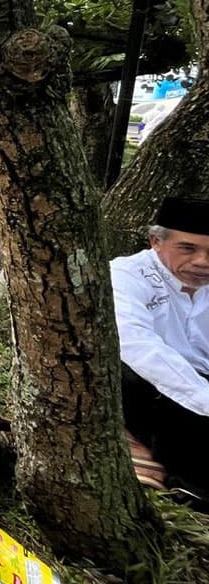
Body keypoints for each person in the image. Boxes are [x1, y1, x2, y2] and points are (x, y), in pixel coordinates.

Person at [111, 195, 209, 503]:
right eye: (187, 248)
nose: (202, 262)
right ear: (155, 241)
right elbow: (138, 347)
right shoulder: (125, 276)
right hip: (150, 385)